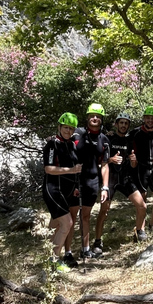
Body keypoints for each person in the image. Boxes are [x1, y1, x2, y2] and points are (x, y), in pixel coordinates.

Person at [94, 112, 149, 244]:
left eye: (126, 123)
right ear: (116, 124)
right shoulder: (108, 138)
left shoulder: (130, 140)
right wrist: (110, 159)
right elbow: (98, 160)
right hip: (110, 179)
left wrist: (133, 161)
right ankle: (97, 241)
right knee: (104, 210)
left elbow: (133, 164)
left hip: (125, 178)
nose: (123, 125)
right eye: (121, 123)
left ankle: (139, 231)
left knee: (142, 206)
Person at [42, 112, 83, 265]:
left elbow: (75, 167)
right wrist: (71, 170)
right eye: (66, 128)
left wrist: (75, 186)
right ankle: (54, 261)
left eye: (71, 129)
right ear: (59, 127)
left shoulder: (71, 144)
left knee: (55, 226)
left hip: (67, 190)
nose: (68, 131)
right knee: (67, 224)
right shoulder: (52, 144)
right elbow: (49, 169)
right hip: (53, 190)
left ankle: (48, 259)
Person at [73, 103, 110, 258]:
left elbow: (105, 164)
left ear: (101, 119)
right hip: (74, 180)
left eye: (98, 116)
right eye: (92, 115)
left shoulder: (104, 139)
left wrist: (105, 187)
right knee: (69, 217)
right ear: (87, 117)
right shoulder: (77, 134)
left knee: (85, 216)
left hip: (92, 181)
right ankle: (64, 252)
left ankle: (85, 249)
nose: (95, 118)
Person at [129, 105, 153, 232]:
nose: (150, 120)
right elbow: (123, 144)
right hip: (140, 170)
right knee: (142, 203)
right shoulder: (135, 133)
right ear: (144, 118)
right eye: (148, 118)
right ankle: (141, 229)